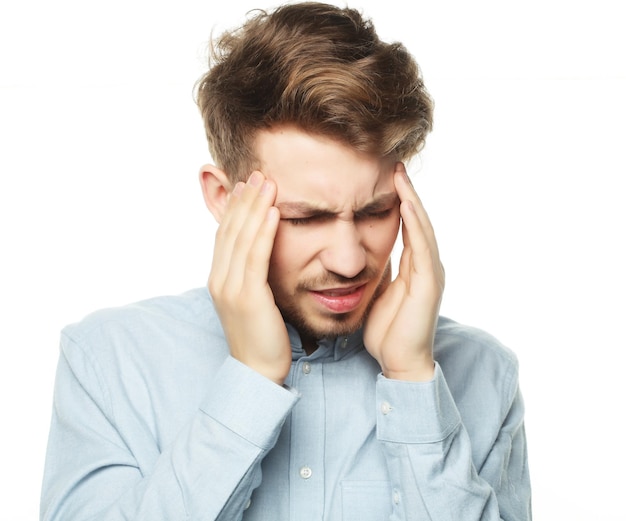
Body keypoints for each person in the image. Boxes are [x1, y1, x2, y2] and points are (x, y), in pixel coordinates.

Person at [40, 2, 531, 520]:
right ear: (225, 198)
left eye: (376, 210)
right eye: (304, 218)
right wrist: (249, 382)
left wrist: (412, 379)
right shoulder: (108, 362)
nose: (347, 260)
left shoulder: (483, 375)